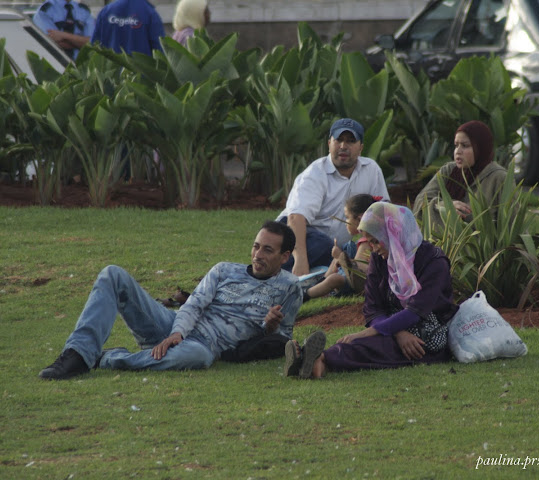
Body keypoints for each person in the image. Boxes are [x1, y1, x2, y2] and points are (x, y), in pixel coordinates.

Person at [39, 221, 302, 380]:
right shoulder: (224, 270)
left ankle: (106, 359)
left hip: (205, 346)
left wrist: (269, 326)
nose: (257, 255)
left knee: (198, 357)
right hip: (173, 325)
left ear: (285, 257)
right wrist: (176, 333)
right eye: (256, 246)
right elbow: (194, 304)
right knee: (112, 274)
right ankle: (77, 354)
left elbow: (280, 339)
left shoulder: (289, 288)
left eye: (267, 250)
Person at [285, 203, 458, 379]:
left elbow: (416, 311)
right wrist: (397, 332)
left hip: (428, 333)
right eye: (370, 242)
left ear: (394, 233)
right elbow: (373, 307)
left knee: (379, 345)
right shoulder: (380, 258)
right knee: (373, 342)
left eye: (376, 241)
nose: (374, 249)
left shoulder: (434, 262)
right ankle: (318, 362)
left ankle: (320, 360)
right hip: (393, 326)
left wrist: (373, 331)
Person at [276, 118, 389, 277]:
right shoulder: (315, 173)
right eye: (338, 140)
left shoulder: (371, 170)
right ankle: (280, 273)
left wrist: (366, 244)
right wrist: (300, 260)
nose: (343, 146)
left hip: (333, 248)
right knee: (325, 246)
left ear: (361, 147)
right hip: (293, 236)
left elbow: (382, 212)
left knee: (348, 253)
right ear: (329, 144)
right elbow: (296, 218)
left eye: (350, 141)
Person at [412, 120, 507, 227]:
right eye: (456, 145)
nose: (458, 151)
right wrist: (444, 205)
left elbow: (511, 224)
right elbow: (421, 200)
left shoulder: (499, 177)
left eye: (465, 145)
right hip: (443, 238)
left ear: (481, 148)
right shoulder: (449, 170)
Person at [303, 193, 380, 301]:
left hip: (360, 283)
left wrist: (340, 257)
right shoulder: (361, 242)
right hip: (350, 276)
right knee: (343, 253)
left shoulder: (366, 243)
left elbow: (359, 272)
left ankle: (305, 295)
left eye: (347, 217)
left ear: (359, 219)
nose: (345, 222)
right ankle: (320, 284)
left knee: (334, 279)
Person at [90, 0, 165, 56]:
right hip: (140, 71)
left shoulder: (106, 11)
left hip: (110, 70)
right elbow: (160, 49)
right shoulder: (150, 12)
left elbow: (94, 46)